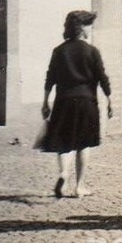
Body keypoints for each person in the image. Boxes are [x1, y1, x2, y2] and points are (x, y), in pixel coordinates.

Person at [40, 10, 113, 198]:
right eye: (89, 25)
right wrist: (110, 99)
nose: (91, 29)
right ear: (82, 28)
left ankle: (63, 173)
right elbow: (102, 77)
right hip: (86, 102)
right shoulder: (92, 51)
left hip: (63, 101)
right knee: (84, 144)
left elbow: (50, 77)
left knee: (64, 142)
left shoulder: (59, 51)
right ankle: (80, 187)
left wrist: (45, 101)